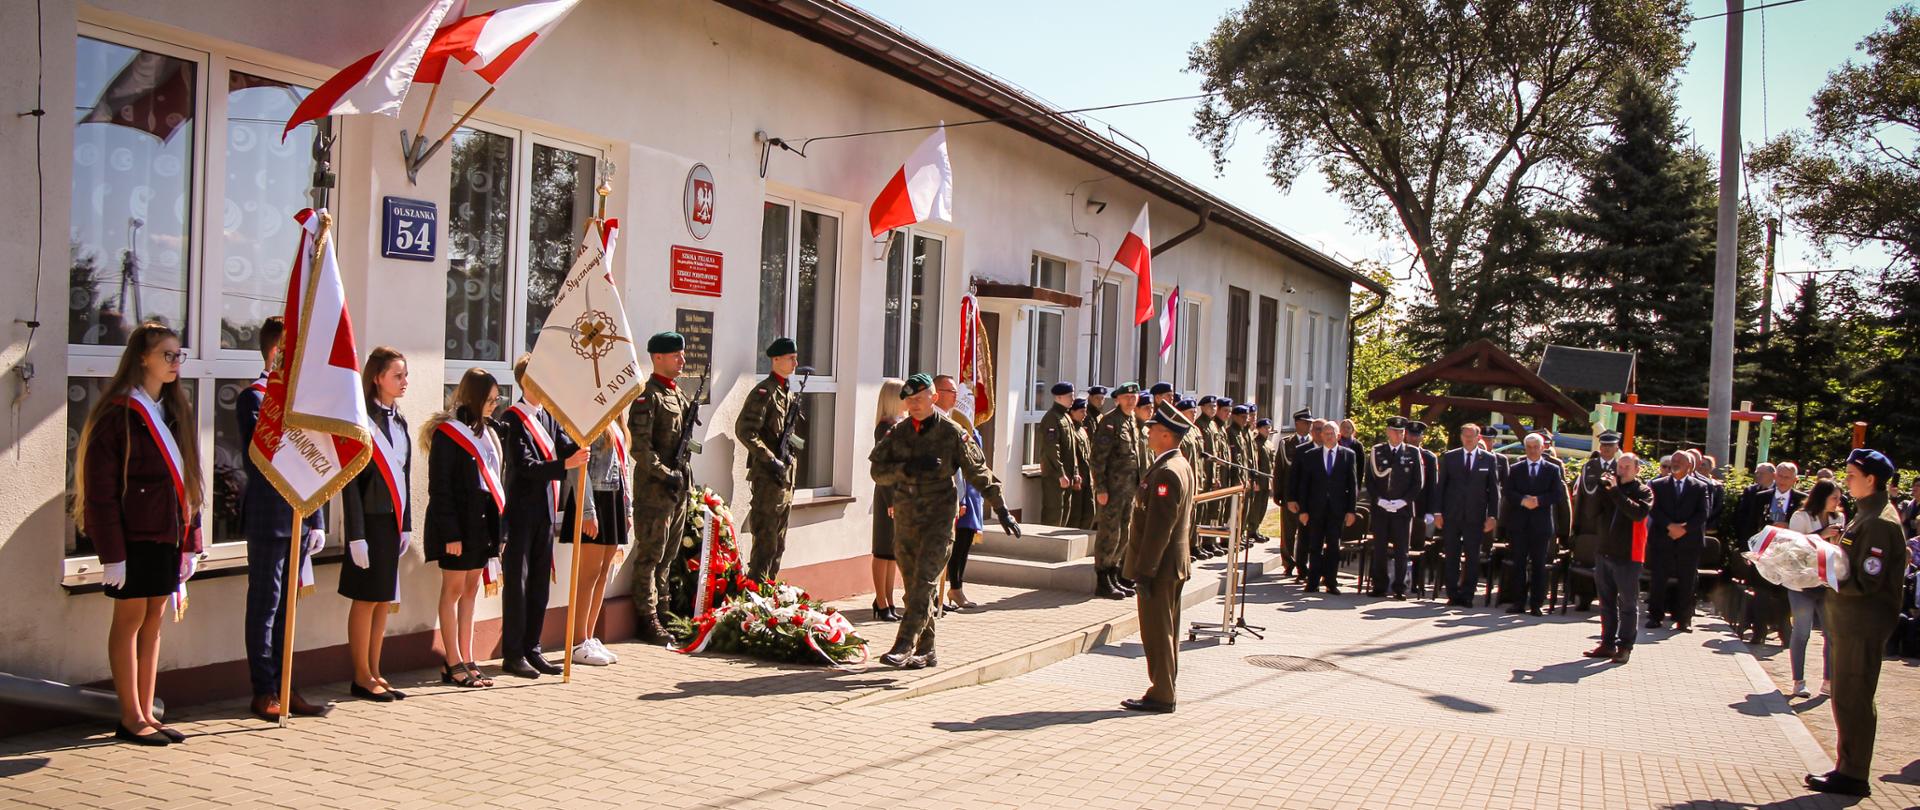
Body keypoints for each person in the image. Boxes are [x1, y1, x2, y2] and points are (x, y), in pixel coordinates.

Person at [73, 323, 205, 745]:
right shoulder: (118, 412)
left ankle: (148, 711)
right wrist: (111, 553)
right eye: (167, 355)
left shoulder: (172, 408)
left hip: (166, 533)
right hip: (133, 539)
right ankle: (130, 717)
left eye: (178, 356)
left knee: (154, 621)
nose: (175, 363)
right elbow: (101, 490)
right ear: (143, 358)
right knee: (129, 621)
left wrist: (192, 542)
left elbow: (188, 482)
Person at [869, 374, 1021, 668]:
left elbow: (979, 471)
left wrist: (1001, 508)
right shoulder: (899, 433)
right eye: (909, 400)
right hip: (906, 518)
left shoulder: (952, 432)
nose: (913, 404)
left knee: (925, 580)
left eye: (919, 398)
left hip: (938, 519)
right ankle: (927, 649)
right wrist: (907, 469)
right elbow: (878, 472)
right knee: (914, 586)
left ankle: (903, 644)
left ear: (933, 398)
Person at [235, 316, 331, 721]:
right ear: (277, 353)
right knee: (267, 604)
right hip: (269, 515)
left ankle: (286, 684)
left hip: (299, 516)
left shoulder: (300, 402)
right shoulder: (254, 399)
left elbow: (318, 461)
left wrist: (318, 517)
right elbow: (268, 456)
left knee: (288, 608)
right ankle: (265, 689)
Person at [1806, 449, 1910, 797]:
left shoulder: (1879, 521)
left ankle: (1853, 774)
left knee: (1854, 696)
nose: (1845, 480)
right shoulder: (1867, 514)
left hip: (1862, 623)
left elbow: (1867, 580)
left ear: (1871, 479)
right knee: (1846, 695)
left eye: (1851, 475)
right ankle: (1845, 767)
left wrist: (1825, 572)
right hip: (1849, 621)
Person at [497, 357, 588, 679]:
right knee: (518, 585)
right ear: (528, 382)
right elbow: (524, 466)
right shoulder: (512, 418)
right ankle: (513, 653)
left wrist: (583, 440)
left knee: (539, 583)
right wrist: (565, 465)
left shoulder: (548, 416)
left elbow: (565, 448)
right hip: (521, 512)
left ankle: (533, 648)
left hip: (546, 512)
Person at [424, 368, 506, 689]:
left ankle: (469, 659)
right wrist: (450, 534)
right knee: (453, 590)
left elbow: (495, 480)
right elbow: (440, 488)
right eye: (489, 400)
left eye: (496, 400)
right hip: (456, 526)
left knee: (471, 590)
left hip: (481, 525)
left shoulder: (487, 432)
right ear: (472, 397)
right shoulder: (448, 433)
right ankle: (452, 661)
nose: (494, 405)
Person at [339, 346, 412, 700]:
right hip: (367, 523)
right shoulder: (361, 421)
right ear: (377, 378)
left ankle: (377, 670)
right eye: (397, 375)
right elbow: (350, 481)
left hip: (391, 522)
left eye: (405, 375)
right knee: (365, 599)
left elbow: (405, 475)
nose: (404, 381)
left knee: (383, 599)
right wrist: (355, 535)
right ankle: (360, 674)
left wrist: (407, 523)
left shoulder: (399, 420)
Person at [1120, 401, 1196, 714]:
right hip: (1171, 564)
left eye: (1153, 429)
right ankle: (1165, 687)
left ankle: (1162, 693)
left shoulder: (1166, 472)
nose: (1148, 433)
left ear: (1166, 435)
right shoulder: (1180, 464)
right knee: (1165, 629)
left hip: (1160, 566)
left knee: (1157, 631)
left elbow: (1158, 529)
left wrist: (1145, 569)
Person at [628, 332, 696, 644]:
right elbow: (639, 447)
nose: (682, 361)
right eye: (676, 356)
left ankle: (666, 611)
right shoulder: (647, 397)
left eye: (682, 355)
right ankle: (648, 617)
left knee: (668, 556)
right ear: (658, 357)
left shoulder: (678, 394)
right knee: (651, 555)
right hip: (655, 491)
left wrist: (681, 478)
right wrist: (664, 473)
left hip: (677, 487)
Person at [559, 405, 632, 668]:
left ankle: (589, 636)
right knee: (587, 574)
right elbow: (579, 468)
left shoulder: (618, 421)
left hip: (613, 498)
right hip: (594, 501)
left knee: (603, 573)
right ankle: (577, 640)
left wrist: (628, 507)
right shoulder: (591, 418)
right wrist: (587, 510)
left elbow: (624, 468)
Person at [738, 337, 801, 582]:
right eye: (791, 358)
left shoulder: (786, 393)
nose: (796, 362)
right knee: (765, 542)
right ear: (776, 360)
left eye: (795, 357)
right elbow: (745, 430)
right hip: (768, 478)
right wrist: (770, 459)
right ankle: (755, 594)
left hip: (785, 479)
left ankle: (770, 592)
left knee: (779, 542)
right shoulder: (764, 392)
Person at [1584, 452, 1653, 663]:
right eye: (1619, 467)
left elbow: (1637, 513)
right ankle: (1607, 643)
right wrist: (1598, 489)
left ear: (1637, 470)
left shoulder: (1643, 491)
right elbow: (1591, 513)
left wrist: (1615, 492)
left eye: (1626, 467)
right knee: (1606, 602)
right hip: (1604, 551)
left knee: (1628, 604)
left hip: (1628, 556)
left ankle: (1625, 646)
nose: (1621, 471)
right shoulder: (1609, 488)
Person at [1785, 480, 1845, 698]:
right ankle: (1798, 680)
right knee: (1802, 631)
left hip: (1826, 582)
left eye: (1839, 498)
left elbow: (1838, 548)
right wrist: (1822, 533)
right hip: (1802, 583)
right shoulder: (1801, 517)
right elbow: (1795, 546)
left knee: (1831, 633)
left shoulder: (1838, 517)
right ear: (1822, 497)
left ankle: (1828, 680)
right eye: (1834, 498)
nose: (1838, 502)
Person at [1432, 423, 1501, 607]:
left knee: (1472, 557)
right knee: (1452, 556)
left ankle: (1467, 595)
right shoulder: (1450, 457)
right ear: (1461, 437)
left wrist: (1493, 515)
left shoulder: (1488, 459)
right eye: (1465, 435)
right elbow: (1441, 488)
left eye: (1472, 436)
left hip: (1475, 516)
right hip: (1452, 515)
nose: (1468, 439)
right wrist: (1437, 512)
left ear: (1479, 438)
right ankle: (1453, 594)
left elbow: (1494, 490)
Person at [1288, 419, 1358, 594]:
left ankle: (1331, 582)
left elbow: (1353, 484)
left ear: (1338, 436)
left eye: (1331, 434)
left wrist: (1351, 510)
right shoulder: (1311, 455)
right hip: (1315, 509)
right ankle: (1312, 582)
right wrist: (1303, 510)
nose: (1328, 437)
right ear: (1320, 435)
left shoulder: (1348, 455)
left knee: (1333, 546)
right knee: (1315, 546)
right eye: (1325, 433)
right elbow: (1304, 485)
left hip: (1337, 509)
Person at [1091, 383, 1145, 599]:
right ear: (1118, 399)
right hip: (1112, 490)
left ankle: (1114, 574)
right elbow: (1097, 459)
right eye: (1127, 397)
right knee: (1109, 534)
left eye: (1134, 396)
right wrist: (1101, 488)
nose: (1131, 400)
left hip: (1129, 489)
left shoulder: (1131, 420)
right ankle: (1102, 579)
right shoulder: (1110, 422)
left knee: (1124, 533)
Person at [1503, 433, 1567, 615]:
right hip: (1519, 524)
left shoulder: (1552, 469)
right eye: (1529, 447)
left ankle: (1537, 603)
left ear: (1542, 448)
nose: (1532, 450)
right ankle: (1518, 602)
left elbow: (1557, 494)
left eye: (1535, 447)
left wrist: (1539, 500)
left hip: (1541, 525)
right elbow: (1508, 491)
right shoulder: (1515, 468)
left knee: (1539, 565)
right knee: (1519, 564)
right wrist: (1523, 500)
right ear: (1525, 448)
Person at [1646, 451, 1708, 631]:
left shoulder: (1700, 487)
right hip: (1662, 539)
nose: (1675, 463)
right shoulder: (1657, 485)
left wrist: (1684, 529)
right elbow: (1653, 509)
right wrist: (1670, 526)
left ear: (1689, 465)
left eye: (1679, 461)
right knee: (1658, 580)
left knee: (1687, 582)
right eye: (1673, 460)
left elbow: (1703, 513)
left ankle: (1684, 620)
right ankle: (1655, 616)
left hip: (1689, 542)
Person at [1366, 416, 1424, 599]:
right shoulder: (1377, 451)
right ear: (1388, 432)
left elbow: (1417, 483)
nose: (1398, 435)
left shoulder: (1412, 453)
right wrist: (1380, 500)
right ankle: (1380, 586)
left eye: (1401, 432)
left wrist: (1403, 501)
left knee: (1401, 550)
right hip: (1381, 509)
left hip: (1402, 510)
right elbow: (1370, 481)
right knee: (1380, 548)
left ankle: (1399, 587)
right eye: (1395, 431)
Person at [870, 379, 908, 621]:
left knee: (893, 552)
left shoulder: (898, 426)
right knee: (882, 550)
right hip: (888, 494)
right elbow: (882, 467)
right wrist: (892, 500)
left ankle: (889, 600)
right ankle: (881, 601)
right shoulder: (885, 428)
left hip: (899, 494)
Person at [947, 415, 987, 611]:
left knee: (964, 545)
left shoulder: (975, 434)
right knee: (956, 547)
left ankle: (957, 587)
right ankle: (954, 587)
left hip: (973, 495)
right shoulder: (955, 434)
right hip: (961, 496)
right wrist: (961, 500)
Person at [1280, 408, 1315, 579]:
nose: (1308, 426)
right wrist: (1279, 494)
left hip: (1308, 496)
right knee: (1288, 532)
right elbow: (1279, 469)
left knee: (1305, 532)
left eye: (1310, 423)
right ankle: (1288, 563)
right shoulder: (1287, 443)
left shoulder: (1315, 443)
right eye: (1305, 423)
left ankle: (1303, 564)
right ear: (1297, 424)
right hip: (1289, 495)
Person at [1036, 381, 1077, 526]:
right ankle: (1047, 548)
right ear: (1058, 397)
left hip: (1067, 474)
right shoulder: (1051, 418)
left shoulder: (1065, 417)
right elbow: (1051, 449)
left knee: (1064, 513)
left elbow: (1072, 448)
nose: (1073, 399)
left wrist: (1075, 472)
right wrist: (1060, 473)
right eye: (1069, 396)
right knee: (1054, 514)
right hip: (1055, 476)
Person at [1067, 398, 1096, 530]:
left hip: (1087, 477)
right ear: (1072, 412)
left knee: (1090, 512)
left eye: (1085, 411)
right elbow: (1072, 456)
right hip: (1077, 478)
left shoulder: (1082, 429)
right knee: (1075, 515)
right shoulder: (1071, 430)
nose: (1084, 414)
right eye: (1081, 411)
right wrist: (1075, 475)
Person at [1248, 417, 1277, 543]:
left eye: (1269, 427)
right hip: (1259, 480)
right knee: (1256, 507)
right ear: (1259, 429)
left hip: (1267, 480)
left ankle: (1257, 528)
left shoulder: (1269, 443)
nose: (1267, 430)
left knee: (1263, 507)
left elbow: (1272, 463)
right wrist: (1256, 481)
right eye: (1265, 428)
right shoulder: (1256, 443)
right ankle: (1252, 531)